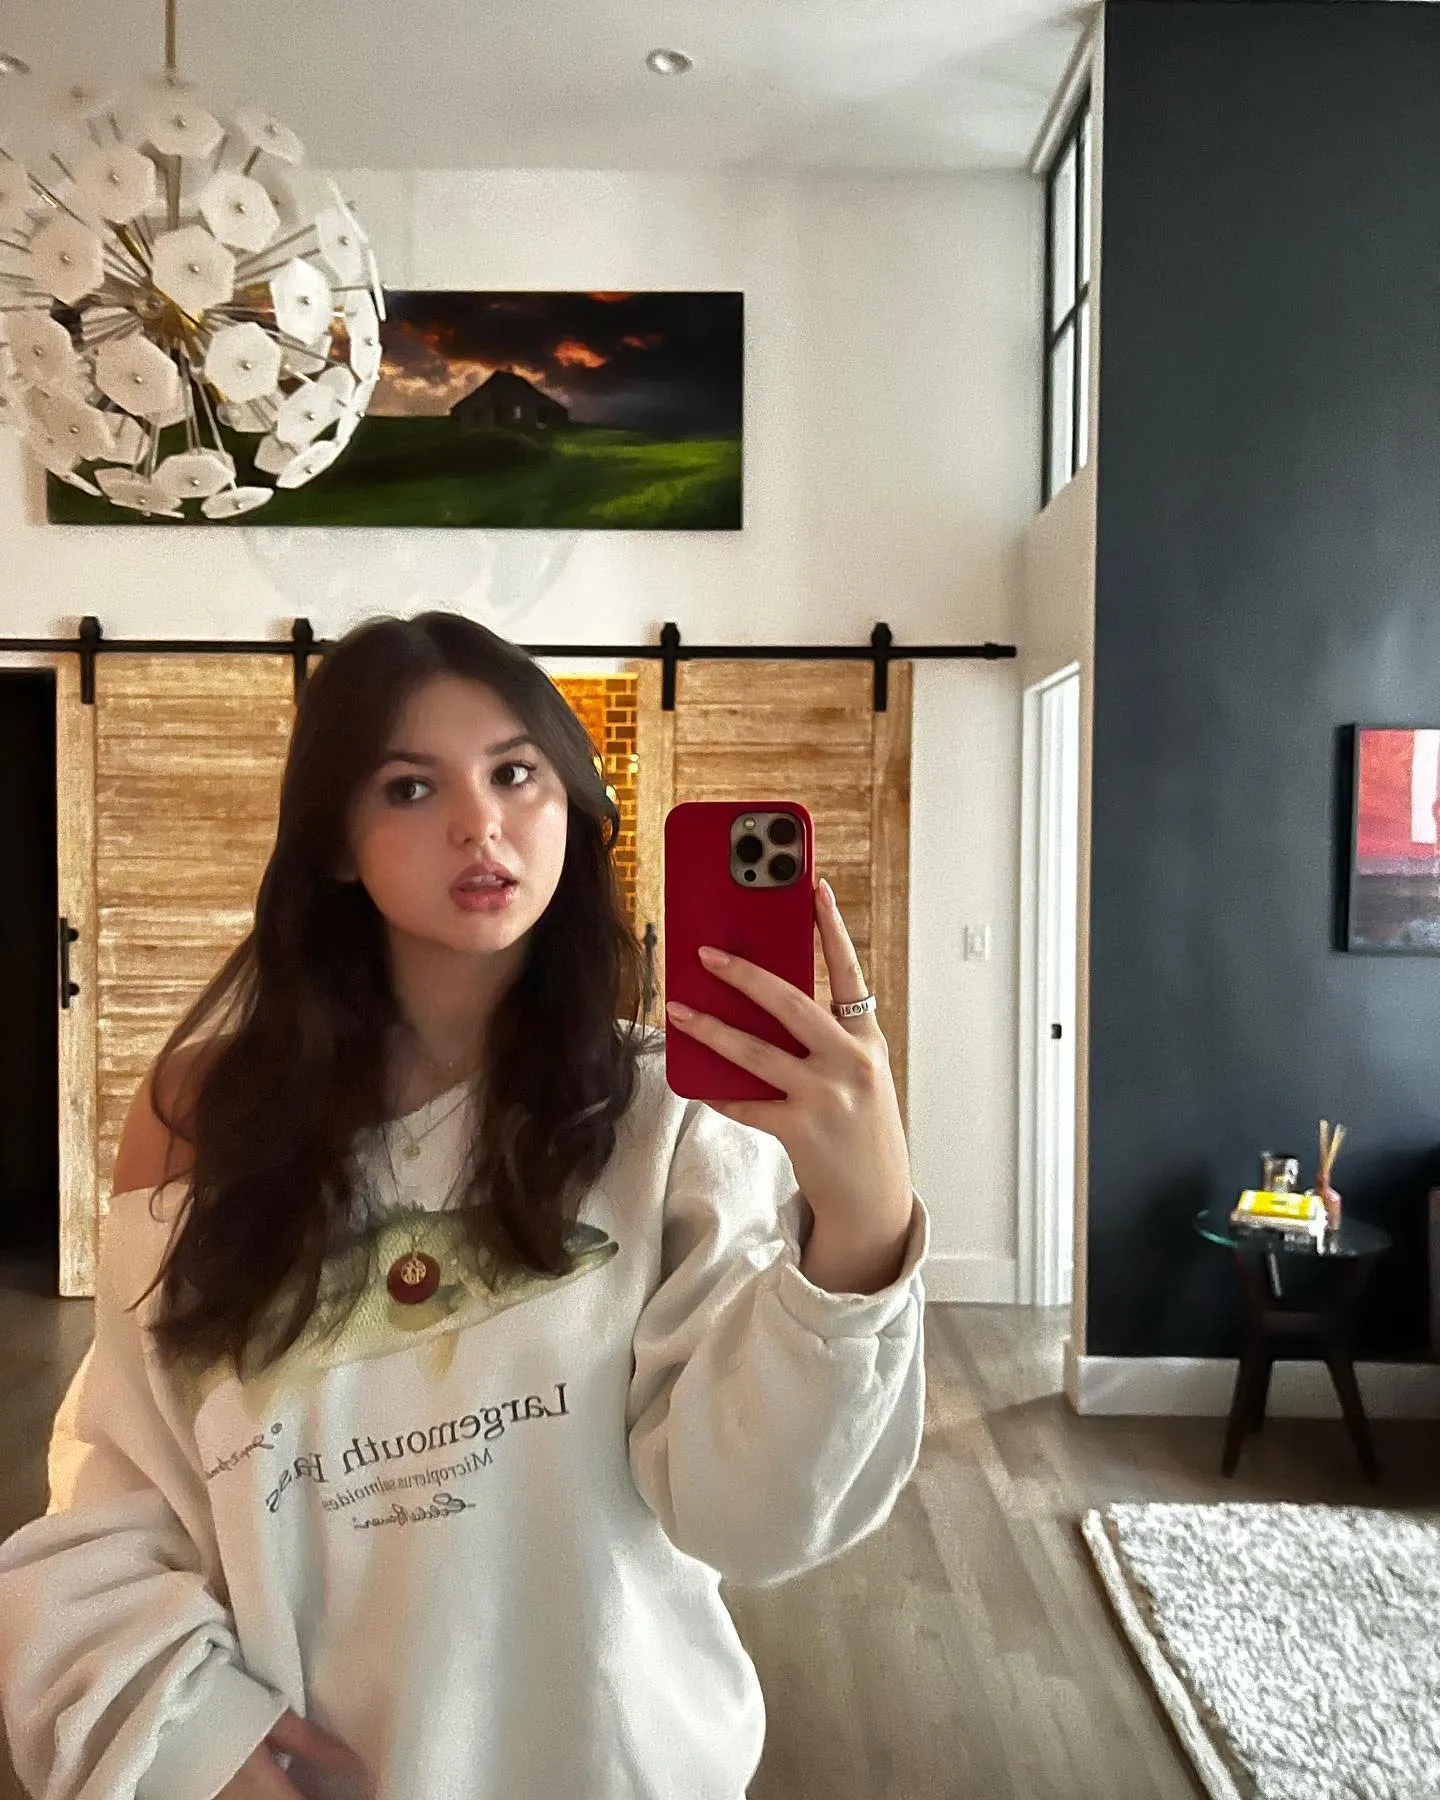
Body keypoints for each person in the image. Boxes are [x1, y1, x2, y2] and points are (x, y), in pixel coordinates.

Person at [0, 610, 929, 1800]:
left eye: (515, 773)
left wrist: (861, 1232)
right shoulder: (202, 1116)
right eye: (409, 785)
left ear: (571, 808)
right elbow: (118, 1478)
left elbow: (751, 1517)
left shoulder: (670, 1121)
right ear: (338, 842)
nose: (479, 823)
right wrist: (189, 1735)